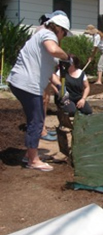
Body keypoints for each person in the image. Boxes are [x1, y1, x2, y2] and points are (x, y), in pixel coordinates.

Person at [7, 14, 72, 172]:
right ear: (60, 29)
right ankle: (33, 161)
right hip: (28, 84)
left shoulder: (40, 37)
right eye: (65, 33)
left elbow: (50, 74)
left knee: (34, 120)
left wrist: (62, 91)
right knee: (36, 121)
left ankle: (29, 155)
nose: (64, 36)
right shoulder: (48, 34)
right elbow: (53, 49)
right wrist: (67, 57)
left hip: (21, 82)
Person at [36, 10, 69, 141]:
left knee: (46, 99)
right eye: (64, 32)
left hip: (47, 71)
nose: (64, 35)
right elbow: (51, 53)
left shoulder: (52, 34)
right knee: (42, 100)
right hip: (39, 73)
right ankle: (41, 131)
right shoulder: (44, 32)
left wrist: (59, 87)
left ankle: (42, 128)